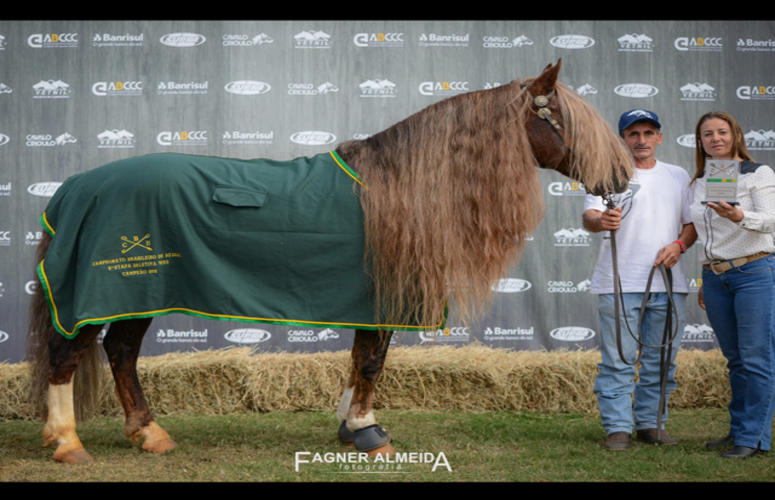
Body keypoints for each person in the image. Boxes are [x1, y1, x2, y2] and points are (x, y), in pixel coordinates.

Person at [583, 109, 696, 451]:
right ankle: (618, 427)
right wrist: (602, 221)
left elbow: (691, 225)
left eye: (648, 133)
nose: (641, 140)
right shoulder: (606, 173)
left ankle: (651, 424)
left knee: (662, 360)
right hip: (618, 281)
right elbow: (589, 215)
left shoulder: (678, 176)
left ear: (659, 137)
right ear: (623, 139)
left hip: (669, 282)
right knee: (617, 359)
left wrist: (679, 246)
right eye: (633, 134)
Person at [690, 111, 775, 459]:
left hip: (754, 271)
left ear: (736, 134)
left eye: (722, 132)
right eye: (707, 134)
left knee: (756, 357)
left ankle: (753, 437)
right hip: (716, 275)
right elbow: (706, 232)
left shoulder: (757, 173)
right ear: (701, 142)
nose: (715, 139)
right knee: (736, 359)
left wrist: (740, 215)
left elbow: (771, 221)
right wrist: (706, 273)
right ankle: (740, 430)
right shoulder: (701, 179)